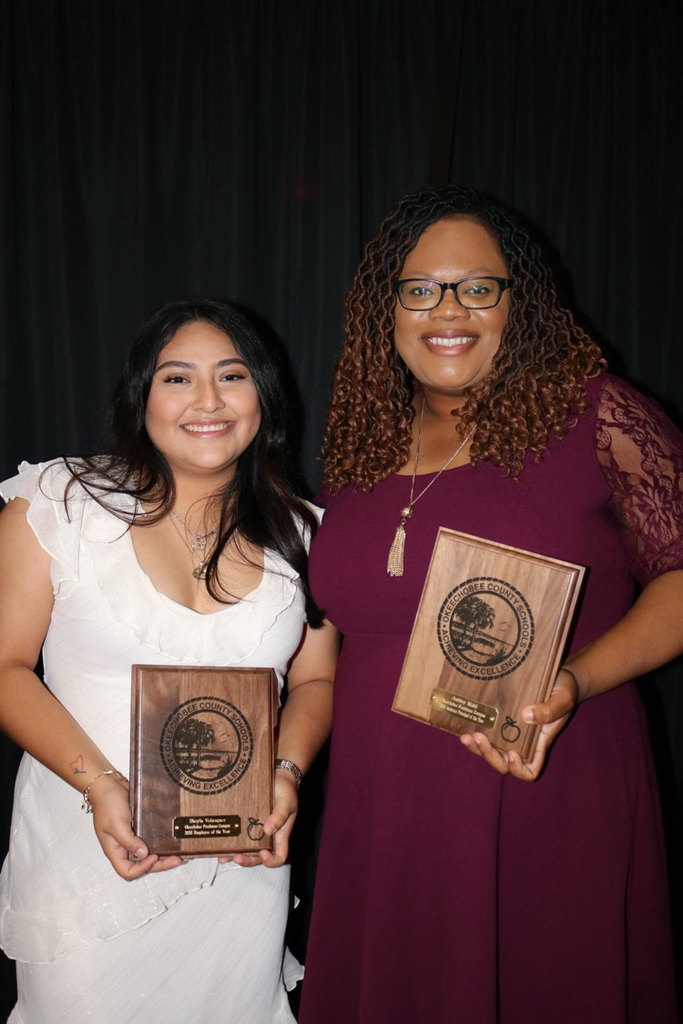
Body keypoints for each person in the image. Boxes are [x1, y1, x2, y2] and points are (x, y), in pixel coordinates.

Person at [298, 186, 683, 1024]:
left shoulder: (597, 418)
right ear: (385, 310)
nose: (449, 310)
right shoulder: (360, 449)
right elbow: (326, 650)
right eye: (420, 288)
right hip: (384, 818)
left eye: (477, 287)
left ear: (521, 304)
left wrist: (574, 682)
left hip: (545, 795)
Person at [0, 299, 336, 1023]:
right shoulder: (58, 503)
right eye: (177, 378)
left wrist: (286, 775)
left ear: (263, 397)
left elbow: (314, 680)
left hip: (238, 875)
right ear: (141, 397)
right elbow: (5, 669)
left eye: (232, 376)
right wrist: (100, 786)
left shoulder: (305, 534)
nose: (207, 401)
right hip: (90, 858)